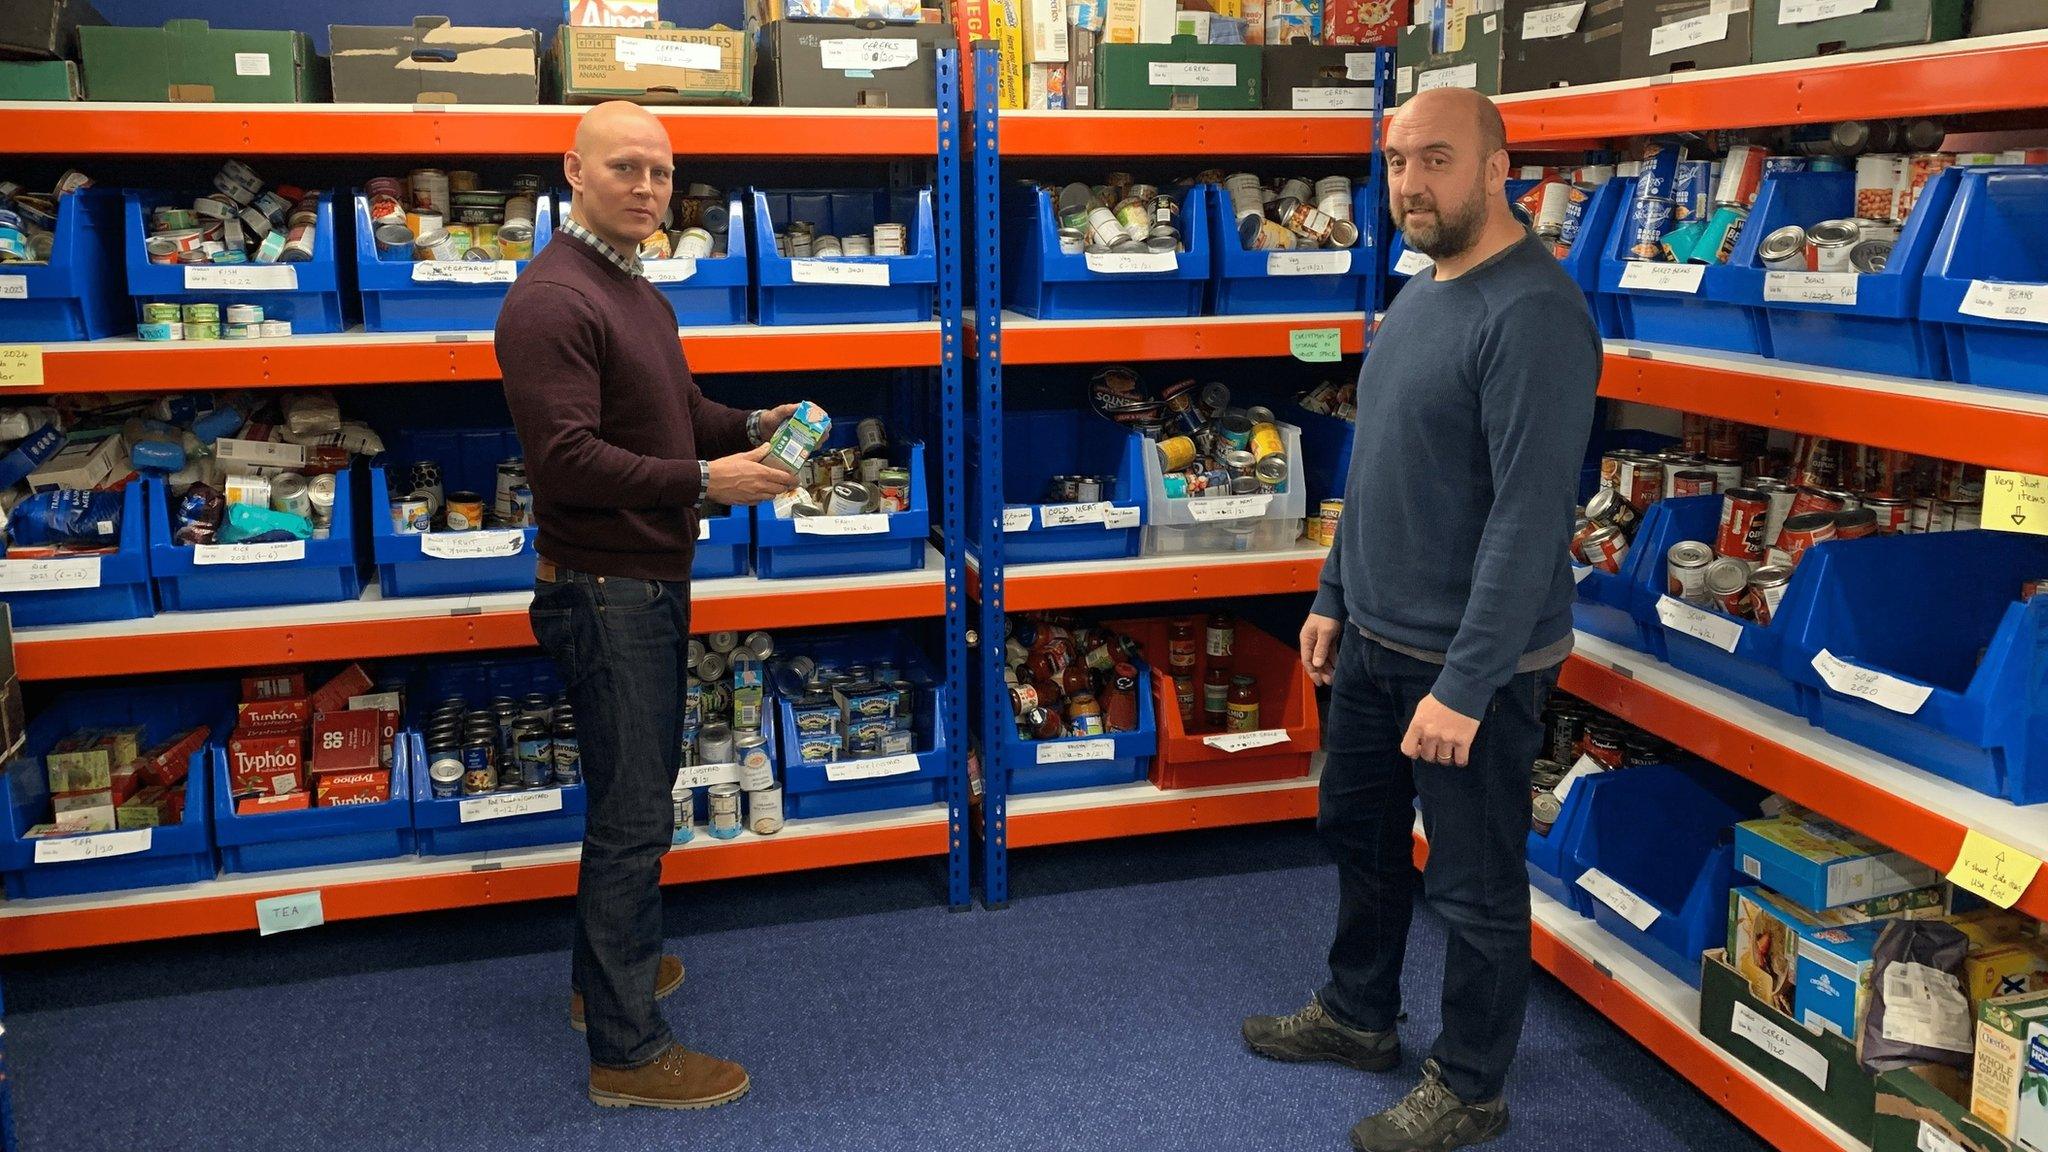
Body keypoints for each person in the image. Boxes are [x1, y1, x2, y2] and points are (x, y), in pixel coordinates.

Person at [1240, 87, 1601, 1152]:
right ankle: (1357, 1017)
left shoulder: (1531, 313)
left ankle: (1471, 1085)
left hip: (1466, 667)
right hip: (1375, 640)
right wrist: (1333, 594)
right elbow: (1380, 462)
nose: (1409, 184)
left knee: (1475, 885)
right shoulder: (1420, 289)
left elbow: (1529, 521)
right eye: (1397, 161)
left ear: (1498, 168)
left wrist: (1466, 681)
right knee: (1354, 831)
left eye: (1435, 160)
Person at [497, 100, 801, 1111]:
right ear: (572, 174)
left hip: (642, 580)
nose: (645, 186)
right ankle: (627, 1051)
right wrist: (709, 483)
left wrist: (752, 423)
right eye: (623, 167)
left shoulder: (632, 287)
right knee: (633, 818)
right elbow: (567, 459)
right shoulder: (551, 300)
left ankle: (604, 979)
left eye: (661, 172)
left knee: (631, 801)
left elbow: (678, 415)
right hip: (604, 591)